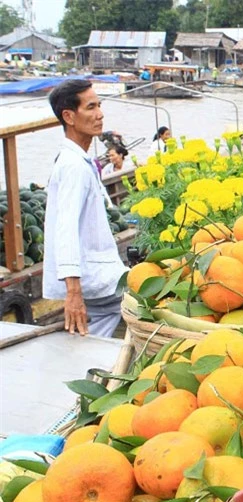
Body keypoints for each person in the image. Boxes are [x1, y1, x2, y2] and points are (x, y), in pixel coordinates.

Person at [44, 79, 128, 337]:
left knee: (97, 327)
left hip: (98, 274)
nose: (100, 114)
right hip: (95, 279)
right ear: (69, 116)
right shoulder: (73, 166)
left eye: (99, 105)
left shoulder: (79, 160)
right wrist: (73, 291)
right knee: (152, 300)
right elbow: (65, 228)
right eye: (91, 107)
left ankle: (89, 363)